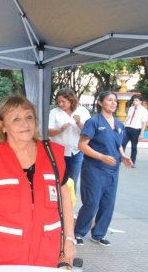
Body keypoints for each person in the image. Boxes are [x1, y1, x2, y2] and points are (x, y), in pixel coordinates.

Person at [0, 95, 76, 268]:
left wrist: (69, 240)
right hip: (0, 256)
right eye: (16, 119)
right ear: (3, 126)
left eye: (29, 117)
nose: (25, 124)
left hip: (47, 253)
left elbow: (65, 201)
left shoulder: (53, 155)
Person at [74, 91, 133, 247]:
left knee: (108, 203)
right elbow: (82, 145)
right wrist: (101, 157)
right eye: (109, 100)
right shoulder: (93, 122)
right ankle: (78, 232)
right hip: (94, 169)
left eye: (115, 100)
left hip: (112, 170)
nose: (113, 103)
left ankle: (98, 234)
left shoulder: (119, 125)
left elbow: (118, 144)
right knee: (92, 202)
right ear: (100, 103)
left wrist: (124, 156)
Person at [48, 88, 91, 189]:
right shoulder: (54, 112)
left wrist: (79, 123)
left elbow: (89, 132)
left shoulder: (82, 111)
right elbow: (48, 132)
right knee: (58, 180)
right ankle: (58, 203)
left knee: (72, 181)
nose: (60, 104)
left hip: (76, 152)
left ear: (71, 100)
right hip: (57, 152)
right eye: (58, 101)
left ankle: (70, 203)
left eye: (63, 101)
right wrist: (60, 129)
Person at [122, 95, 147, 168]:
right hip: (127, 128)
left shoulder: (144, 110)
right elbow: (128, 118)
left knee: (134, 146)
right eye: (133, 100)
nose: (134, 102)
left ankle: (132, 162)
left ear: (140, 101)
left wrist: (141, 134)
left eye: (136, 100)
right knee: (122, 144)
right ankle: (120, 158)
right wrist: (123, 126)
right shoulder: (131, 108)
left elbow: (144, 122)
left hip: (136, 130)